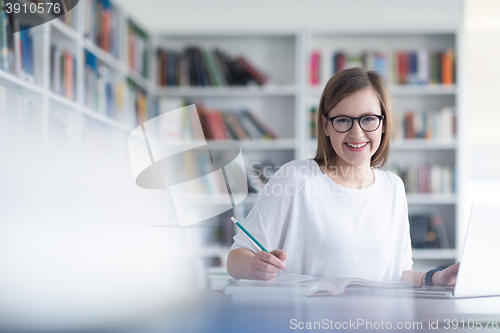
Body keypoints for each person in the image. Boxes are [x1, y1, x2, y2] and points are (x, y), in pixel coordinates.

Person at [226, 67, 459, 286]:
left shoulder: (393, 187)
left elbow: (398, 274)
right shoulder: (295, 178)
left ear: (384, 124)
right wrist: (253, 266)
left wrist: (436, 278)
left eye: (368, 119)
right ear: (326, 125)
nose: (357, 133)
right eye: (343, 120)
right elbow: (235, 259)